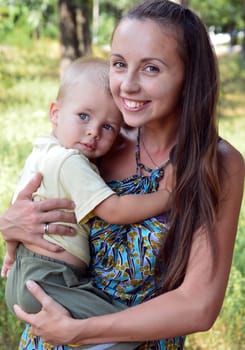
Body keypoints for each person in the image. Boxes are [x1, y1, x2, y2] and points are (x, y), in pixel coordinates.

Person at [0, 0, 244, 349]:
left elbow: (199, 305)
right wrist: (10, 224)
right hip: (51, 337)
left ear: (189, 75)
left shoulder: (216, 163)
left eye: (151, 69)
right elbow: (37, 196)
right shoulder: (99, 141)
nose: (127, 85)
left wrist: (81, 331)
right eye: (119, 64)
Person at [1, 57, 172, 350]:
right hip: (50, 278)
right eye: (83, 116)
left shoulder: (42, 151)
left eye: (108, 127)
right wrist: (167, 196)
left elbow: (20, 208)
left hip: (29, 277)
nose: (94, 131)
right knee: (128, 329)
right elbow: (114, 210)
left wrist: (9, 252)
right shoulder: (69, 161)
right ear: (55, 112)